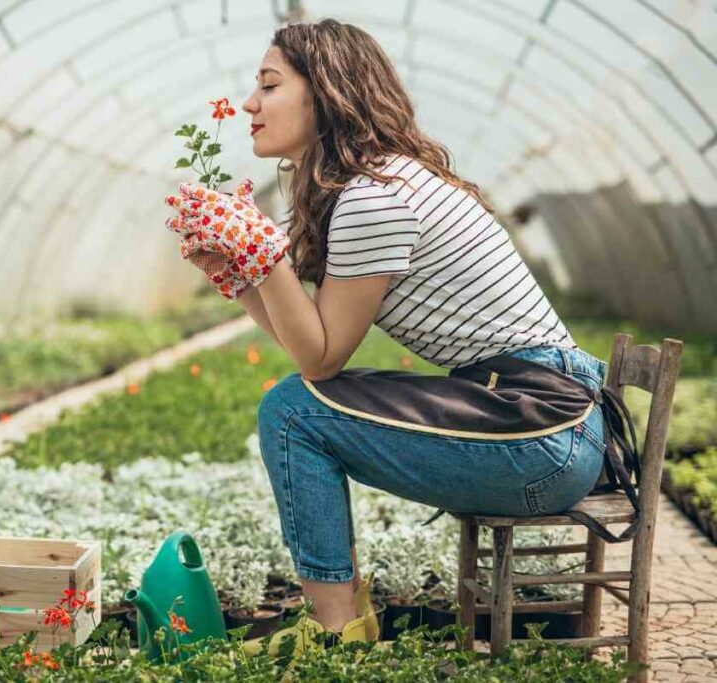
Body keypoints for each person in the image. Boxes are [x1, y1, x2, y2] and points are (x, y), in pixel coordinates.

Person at [163, 19, 615, 653]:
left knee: (292, 411)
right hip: (533, 419)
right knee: (295, 405)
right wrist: (241, 272)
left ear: (324, 93)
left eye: (268, 85)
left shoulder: (374, 199)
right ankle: (339, 621)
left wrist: (261, 251)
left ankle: (334, 632)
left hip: (540, 432)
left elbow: (319, 361)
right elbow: (309, 342)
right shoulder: (371, 187)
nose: (248, 104)